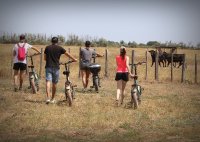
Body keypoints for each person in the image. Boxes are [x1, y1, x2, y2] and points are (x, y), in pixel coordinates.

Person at [44, 37, 77, 104]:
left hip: (48, 66)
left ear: (51, 41)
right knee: (54, 83)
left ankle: (48, 98)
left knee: (48, 82)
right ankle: (52, 99)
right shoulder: (60, 48)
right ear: (57, 42)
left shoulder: (47, 48)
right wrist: (74, 59)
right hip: (56, 67)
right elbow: (67, 54)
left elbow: (45, 58)